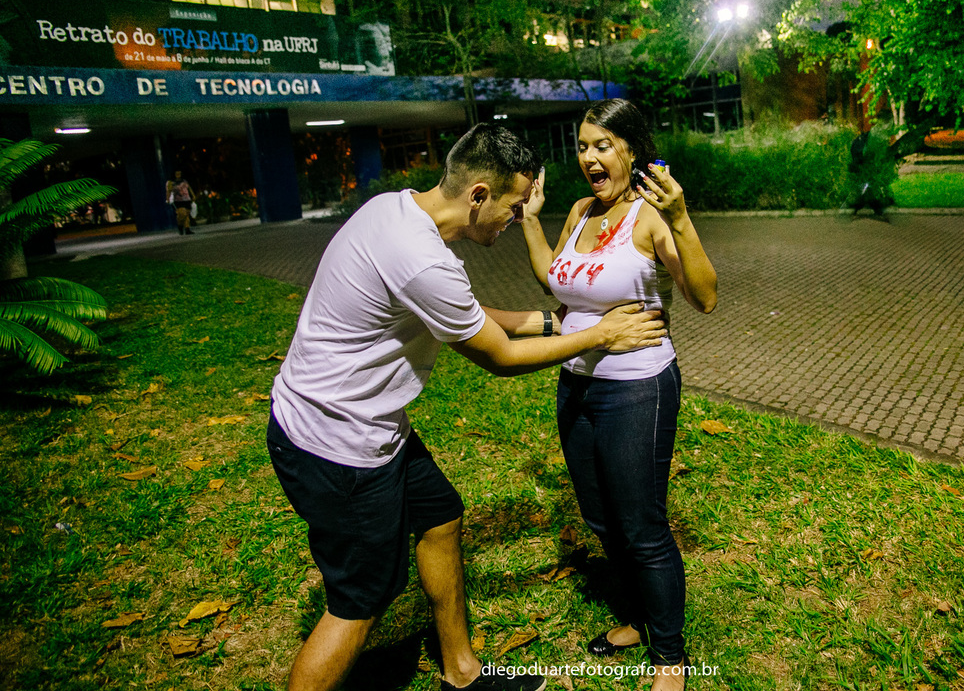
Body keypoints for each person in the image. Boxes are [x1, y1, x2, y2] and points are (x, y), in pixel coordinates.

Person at [268, 123, 666, 691]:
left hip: (365, 425)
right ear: (478, 194)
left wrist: (562, 320)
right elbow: (500, 356)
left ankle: (461, 674)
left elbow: (471, 312)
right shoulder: (422, 259)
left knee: (440, 517)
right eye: (511, 208)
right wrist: (598, 335)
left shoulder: (393, 211)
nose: (512, 222)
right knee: (361, 602)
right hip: (335, 443)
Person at [518, 100, 717, 690]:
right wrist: (530, 219)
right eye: (582, 146)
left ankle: (671, 660)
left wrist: (681, 218)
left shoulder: (651, 218)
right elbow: (558, 278)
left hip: (638, 387)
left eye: (602, 145)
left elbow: (705, 297)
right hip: (575, 382)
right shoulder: (580, 211)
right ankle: (633, 616)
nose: (589, 158)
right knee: (601, 517)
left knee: (642, 524)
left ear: (631, 148)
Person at [165, 170, 194, 235]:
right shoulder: (171, 182)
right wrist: (168, 199)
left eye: (179, 173)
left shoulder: (184, 181)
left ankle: (187, 229)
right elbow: (168, 191)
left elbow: (189, 188)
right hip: (177, 200)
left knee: (186, 214)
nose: (178, 175)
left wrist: (193, 195)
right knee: (182, 214)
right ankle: (180, 226)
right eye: (177, 173)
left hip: (187, 199)